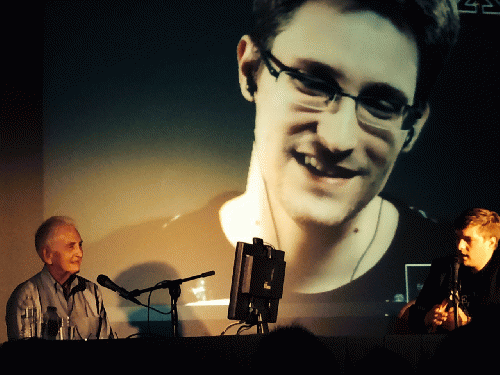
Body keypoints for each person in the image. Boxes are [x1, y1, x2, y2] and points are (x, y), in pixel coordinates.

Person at [86, 0, 461, 336]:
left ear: (413, 127)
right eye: (313, 82)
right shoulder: (116, 261)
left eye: (381, 104)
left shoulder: (454, 262)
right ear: (250, 69)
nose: (338, 139)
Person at [5, 216, 114, 340]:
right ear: (47, 255)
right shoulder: (26, 295)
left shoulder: (91, 291)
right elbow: (22, 353)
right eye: (71, 246)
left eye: (80, 245)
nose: (80, 253)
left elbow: (107, 346)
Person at [408, 208, 500, 333]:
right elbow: (414, 315)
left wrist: (468, 324)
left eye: (468, 239)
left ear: (491, 242)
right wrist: (428, 317)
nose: (460, 246)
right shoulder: (443, 268)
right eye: (458, 238)